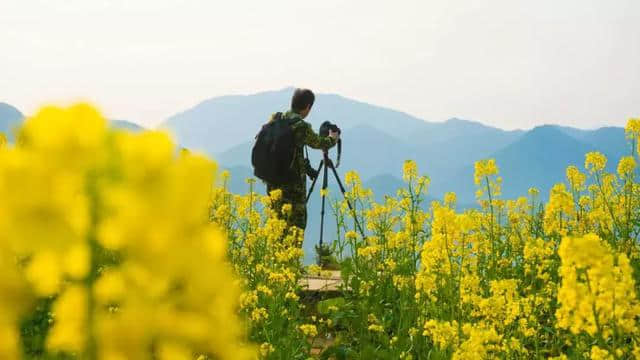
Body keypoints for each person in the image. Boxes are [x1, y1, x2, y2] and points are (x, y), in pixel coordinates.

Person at [266, 88, 340, 233]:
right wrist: (333, 138)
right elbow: (319, 143)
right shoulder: (301, 126)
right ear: (307, 107)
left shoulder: (277, 118)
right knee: (295, 232)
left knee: (276, 231)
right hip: (293, 192)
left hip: (273, 188)